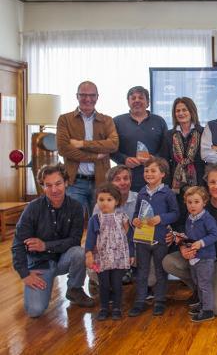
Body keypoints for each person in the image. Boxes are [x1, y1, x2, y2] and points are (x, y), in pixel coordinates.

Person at [11, 164, 95, 318]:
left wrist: (45, 246)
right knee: (34, 310)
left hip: (64, 259)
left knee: (79, 252)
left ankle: (74, 289)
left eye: (58, 184)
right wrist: (25, 274)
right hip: (40, 264)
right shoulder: (32, 208)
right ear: (42, 186)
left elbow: (74, 240)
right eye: (48, 185)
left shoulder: (76, 207)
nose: (54, 190)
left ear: (66, 183)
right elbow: (17, 244)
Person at [163, 164, 217, 317]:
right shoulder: (196, 203)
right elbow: (184, 230)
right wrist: (182, 247)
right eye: (212, 182)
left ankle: (209, 293)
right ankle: (200, 291)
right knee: (169, 262)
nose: (216, 186)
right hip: (199, 256)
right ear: (207, 183)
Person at [56, 80, 119, 213]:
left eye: (92, 95)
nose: (88, 99)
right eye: (83, 95)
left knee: (101, 223)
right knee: (72, 222)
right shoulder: (65, 119)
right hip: (74, 182)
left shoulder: (106, 120)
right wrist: (95, 156)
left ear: (97, 97)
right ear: (77, 96)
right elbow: (63, 149)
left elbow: (113, 144)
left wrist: (82, 144)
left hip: (101, 183)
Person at [128, 157, 179, 317]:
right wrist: (134, 220)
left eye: (153, 170)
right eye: (146, 170)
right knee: (141, 270)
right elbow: (136, 213)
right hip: (143, 240)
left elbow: (175, 213)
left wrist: (161, 219)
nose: (148, 173)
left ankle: (160, 300)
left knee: (160, 270)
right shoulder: (142, 193)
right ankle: (140, 300)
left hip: (160, 239)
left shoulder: (168, 193)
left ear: (162, 174)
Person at [85, 184, 131, 321]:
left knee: (117, 283)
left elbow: (128, 236)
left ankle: (117, 307)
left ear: (116, 201)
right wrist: (89, 254)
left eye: (109, 200)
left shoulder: (122, 217)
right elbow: (90, 238)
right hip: (102, 258)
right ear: (97, 201)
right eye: (101, 199)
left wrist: (131, 254)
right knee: (103, 284)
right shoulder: (95, 219)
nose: (105, 203)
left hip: (118, 257)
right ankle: (104, 307)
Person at [159, 97, 205, 232]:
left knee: (198, 220)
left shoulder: (203, 132)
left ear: (192, 111)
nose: (181, 113)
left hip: (198, 184)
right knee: (178, 219)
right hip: (175, 187)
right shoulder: (169, 135)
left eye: (184, 109)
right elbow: (164, 162)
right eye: (177, 110)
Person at [112, 85, 168, 192]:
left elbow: (166, 149)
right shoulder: (117, 122)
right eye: (133, 98)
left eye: (141, 98)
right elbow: (111, 150)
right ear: (128, 102)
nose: (137, 100)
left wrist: (154, 159)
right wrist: (124, 159)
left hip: (154, 180)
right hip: (125, 180)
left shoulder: (159, 121)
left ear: (148, 102)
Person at [184, 186, 217, 323]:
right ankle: (202, 304)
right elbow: (189, 235)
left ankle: (208, 310)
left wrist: (201, 243)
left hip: (205, 257)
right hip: (194, 258)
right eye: (189, 202)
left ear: (204, 202)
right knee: (197, 282)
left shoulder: (207, 218)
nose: (192, 205)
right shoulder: (189, 218)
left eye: (196, 202)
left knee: (204, 284)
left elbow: (215, 235)